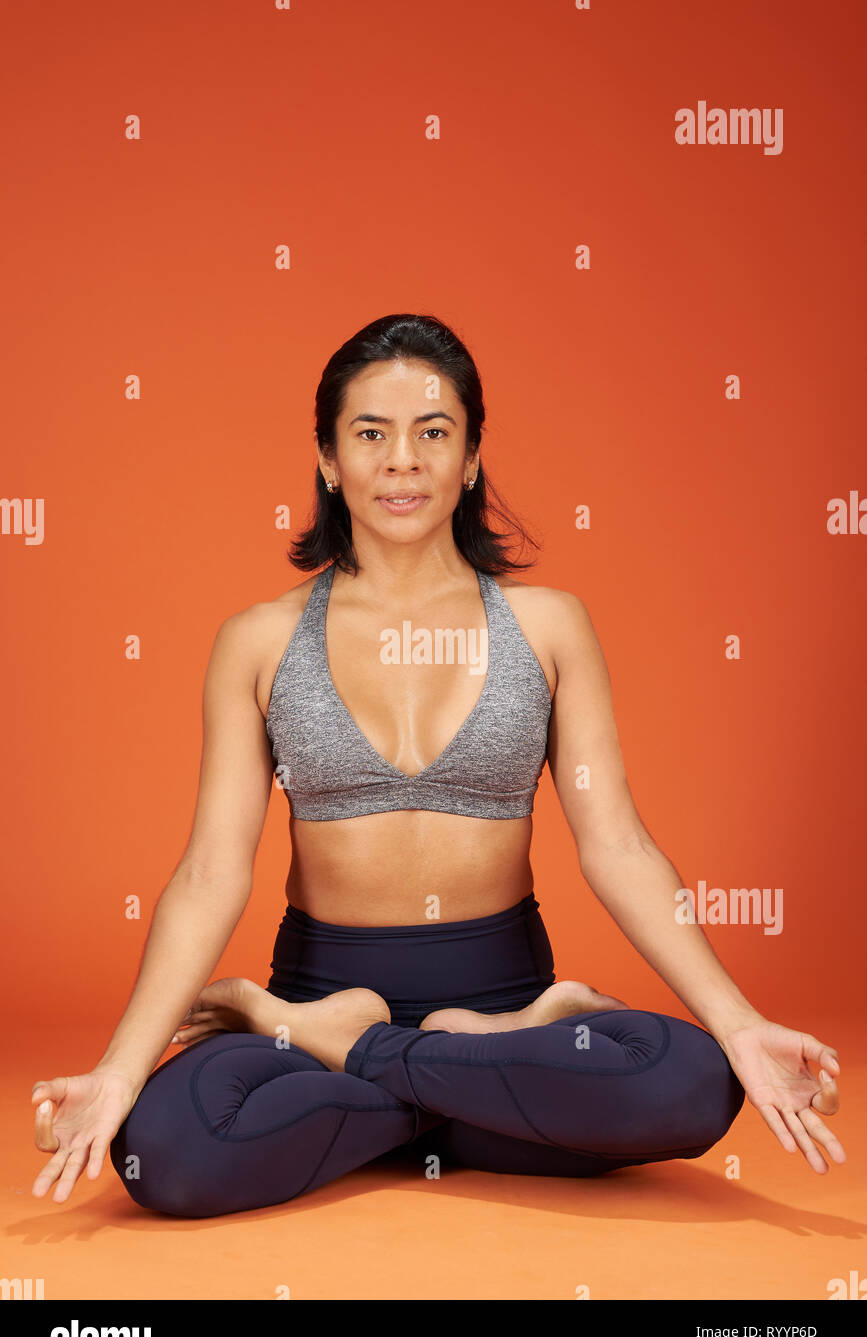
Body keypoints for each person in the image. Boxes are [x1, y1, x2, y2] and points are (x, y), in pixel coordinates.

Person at [31, 314, 844, 1218]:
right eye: (371, 434)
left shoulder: (548, 627)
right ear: (329, 460)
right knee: (166, 1151)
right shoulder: (257, 641)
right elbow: (210, 870)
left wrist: (736, 1025)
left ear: (469, 460)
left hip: (500, 1002)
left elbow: (617, 844)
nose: (402, 461)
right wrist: (117, 1069)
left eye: (432, 433)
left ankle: (354, 1057)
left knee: (693, 1083)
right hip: (335, 992)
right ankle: (467, 1094)